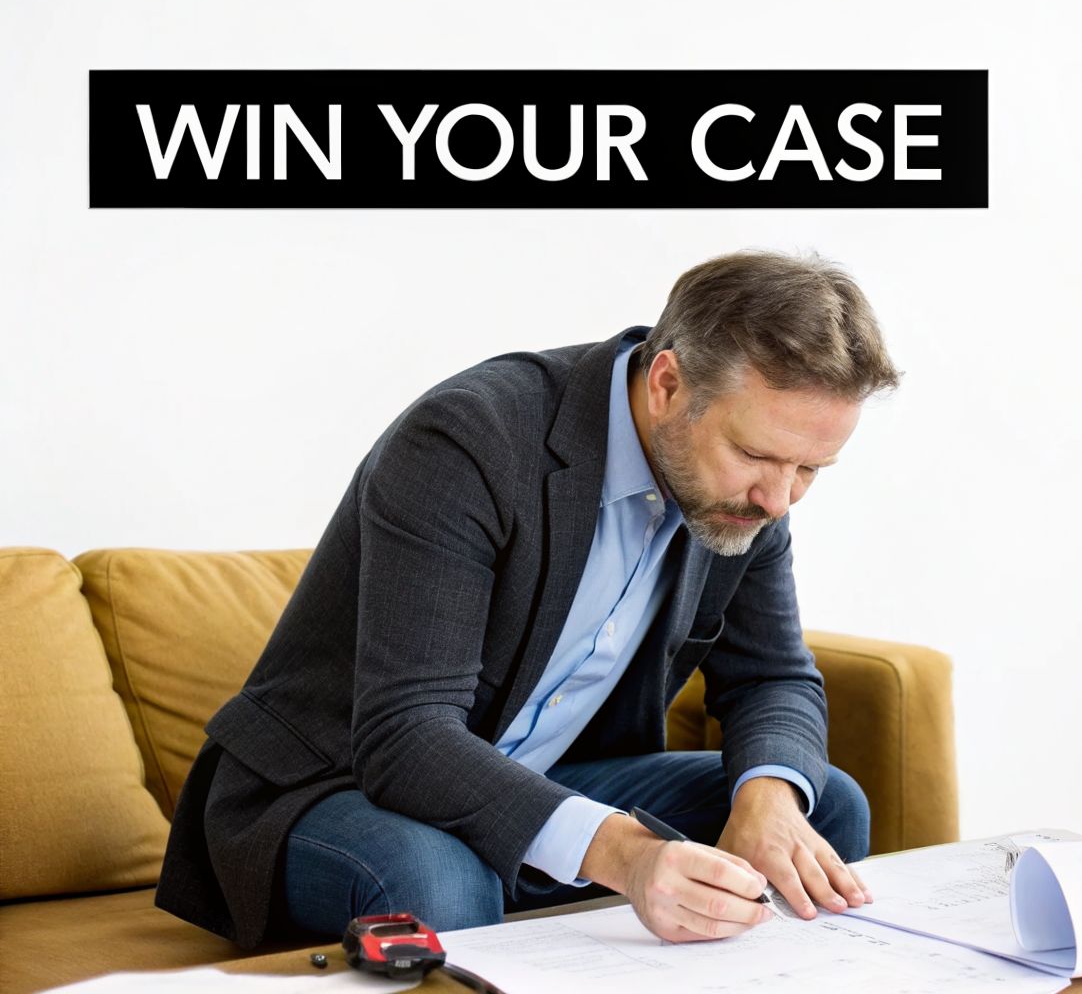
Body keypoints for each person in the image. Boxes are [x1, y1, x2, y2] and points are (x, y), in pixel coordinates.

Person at [158, 251, 898, 949]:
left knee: (818, 808)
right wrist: (625, 854)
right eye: (759, 456)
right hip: (330, 788)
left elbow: (771, 676)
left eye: (811, 469)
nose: (779, 498)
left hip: (540, 778)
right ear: (669, 385)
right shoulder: (470, 439)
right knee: (440, 876)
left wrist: (765, 799)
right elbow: (404, 736)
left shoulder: (749, 496)